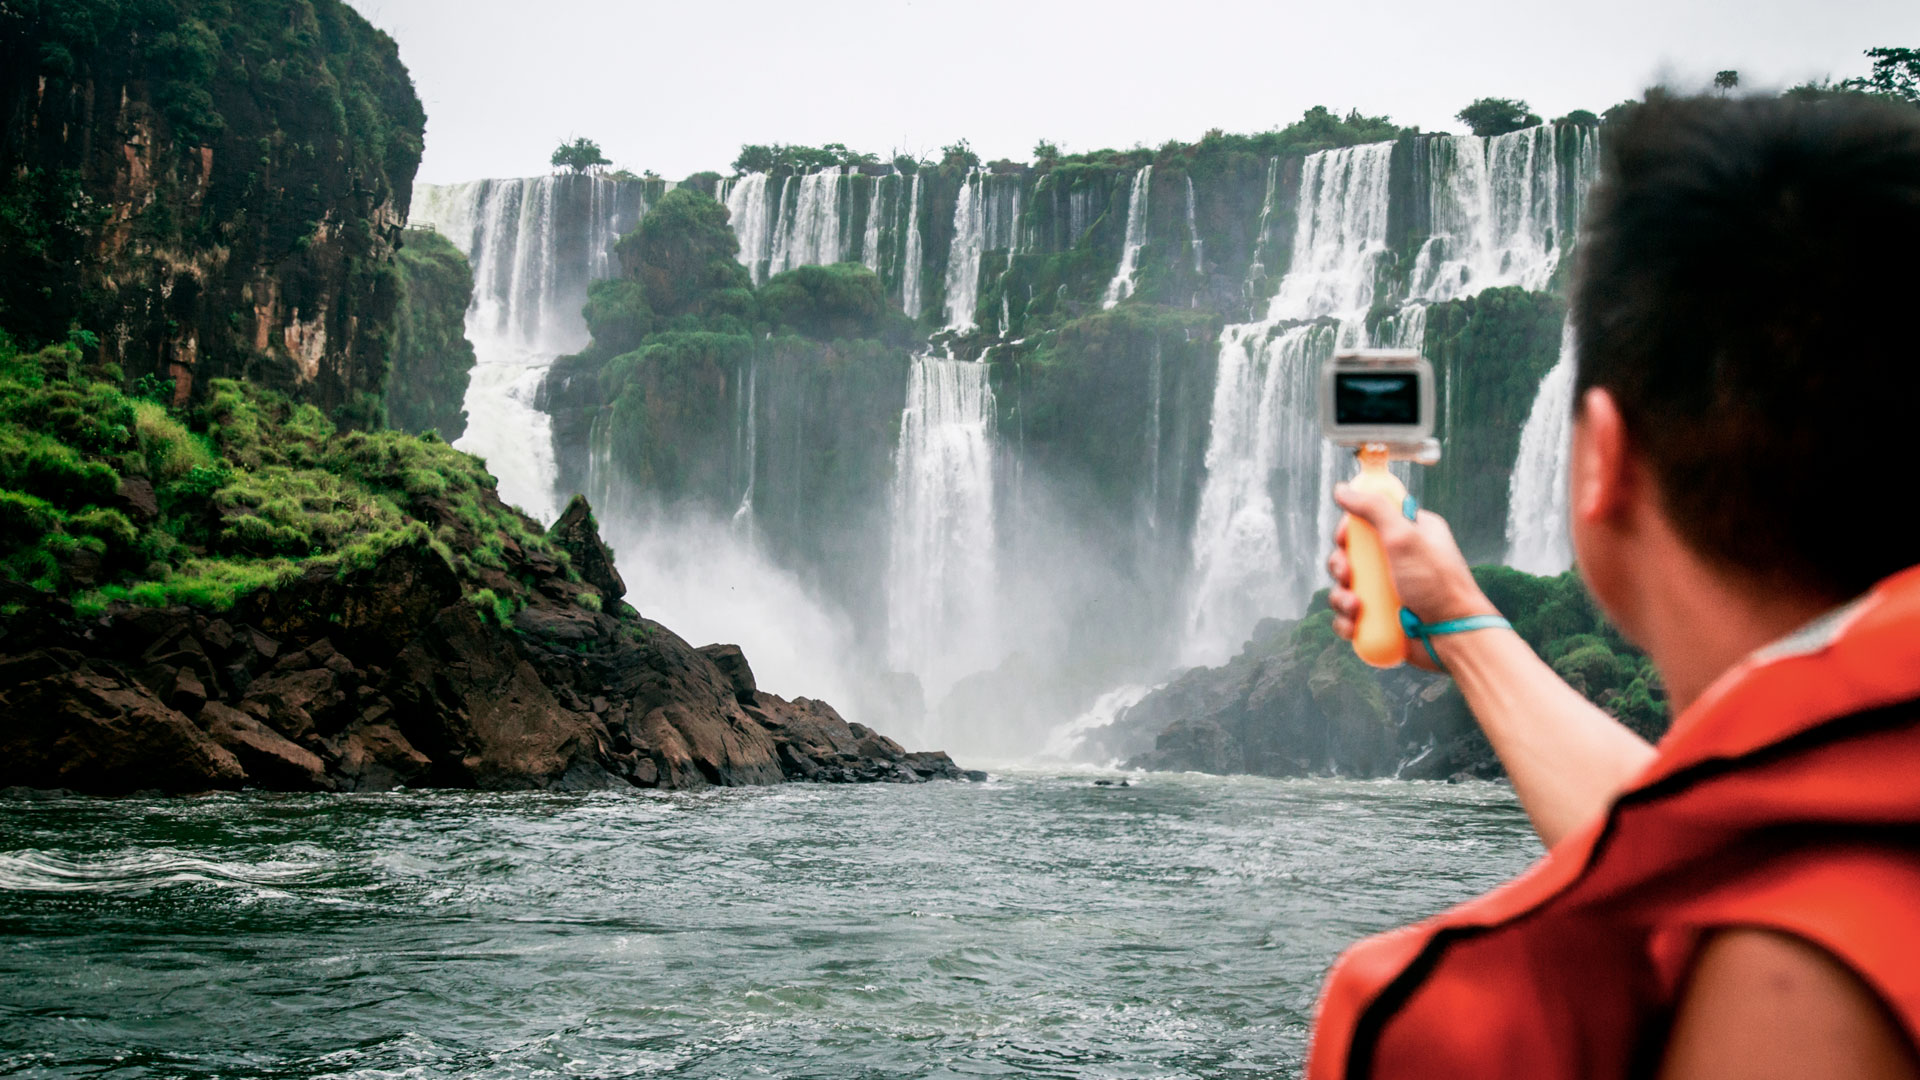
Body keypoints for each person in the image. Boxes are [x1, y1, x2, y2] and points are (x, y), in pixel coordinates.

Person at [1311, 94, 1920, 1080]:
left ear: (1600, 459)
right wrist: (1466, 628)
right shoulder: (1853, 821)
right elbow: (1704, 844)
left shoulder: (1794, 989)